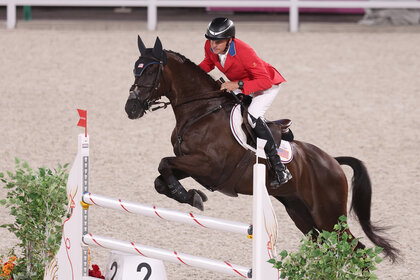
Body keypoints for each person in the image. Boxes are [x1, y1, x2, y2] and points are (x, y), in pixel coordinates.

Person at [198, 17, 292, 188]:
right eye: (211, 40)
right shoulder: (211, 46)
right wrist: (192, 75)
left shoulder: (245, 51)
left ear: (229, 40)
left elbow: (264, 82)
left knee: (252, 116)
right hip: (242, 83)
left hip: (266, 85)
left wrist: (238, 84)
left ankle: (280, 168)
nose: (213, 45)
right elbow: (208, 63)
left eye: (218, 42)